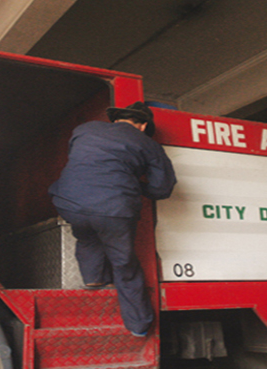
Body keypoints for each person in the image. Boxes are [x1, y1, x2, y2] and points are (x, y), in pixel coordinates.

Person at [49, 101, 177, 337]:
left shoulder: (84, 130)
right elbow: (163, 189)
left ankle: (94, 278)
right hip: (114, 208)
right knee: (124, 263)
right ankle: (139, 325)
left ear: (116, 119)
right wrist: (134, 186)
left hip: (67, 201)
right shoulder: (148, 144)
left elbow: (83, 165)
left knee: (87, 235)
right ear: (142, 126)